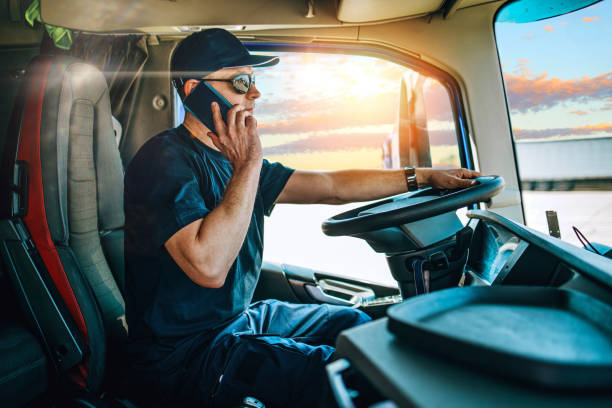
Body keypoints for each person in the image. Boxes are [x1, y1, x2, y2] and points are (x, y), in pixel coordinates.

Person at [123, 28, 481, 407]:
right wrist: (249, 166)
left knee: (360, 332)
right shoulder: (162, 160)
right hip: (184, 357)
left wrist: (421, 176)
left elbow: (330, 185)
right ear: (195, 90)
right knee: (353, 377)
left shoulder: (236, 161)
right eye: (241, 82)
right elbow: (209, 267)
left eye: (254, 81)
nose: (255, 94)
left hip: (238, 322)